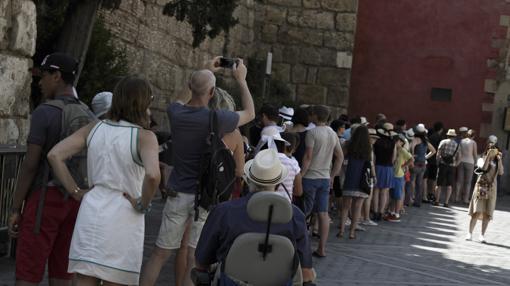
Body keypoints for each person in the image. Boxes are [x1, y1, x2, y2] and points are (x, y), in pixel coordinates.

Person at [140, 57, 255, 286]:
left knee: (159, 254)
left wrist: (201, 70)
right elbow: (250, 113)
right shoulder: (218, 119)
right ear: (212, 92)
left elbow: (181, 99)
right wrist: (241, 80)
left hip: (177, 193)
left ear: (191, 87)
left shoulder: (175, 113)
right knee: (195, 257)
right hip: (204, 196)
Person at [46, 75, 160, 285]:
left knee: (84, 278)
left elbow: (55, 155)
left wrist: (76, 191)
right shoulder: (145, 137)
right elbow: (153, 175)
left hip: (92, 208)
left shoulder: (94, 128)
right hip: (124, 214)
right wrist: (143, 203)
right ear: (145, 102)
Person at [7, 53, 83, 286]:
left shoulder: (45, 112)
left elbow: (30, 165)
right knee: (62, 273)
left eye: (44, 76)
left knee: (29, 272)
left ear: (57, 76)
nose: (39, 82)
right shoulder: (87, 113)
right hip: (76, 200)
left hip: (44, 200)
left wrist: (15, 207)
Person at [194, 149, 315, 285]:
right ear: (278, 184)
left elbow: (201, 263)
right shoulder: (295, 216)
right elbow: (307, 273)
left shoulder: (224, 211)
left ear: (248, 179)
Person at [301, 105, 344, 257]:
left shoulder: (311, 133)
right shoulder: (332, 133)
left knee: (304, 211)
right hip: (325, 178)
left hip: (310, 177)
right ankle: (322, 248)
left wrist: (300, 174)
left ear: (315, 116)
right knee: (323, 213)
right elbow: (340, 156)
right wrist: (333, 175)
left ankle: (298, 242)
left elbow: (308, 157)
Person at [338, 126, 375, 239]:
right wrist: (373, 176)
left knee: (345, 206)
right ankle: (352, 232)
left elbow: (341, 157)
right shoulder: (368, 147)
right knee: (357, 207)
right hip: (362, 179)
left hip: (350, 177)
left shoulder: (348, 144)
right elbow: (370, 162)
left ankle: (342, 230)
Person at [466, 135, 504, 243]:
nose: (492, 148)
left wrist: (499, 160)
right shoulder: (482, 157)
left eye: (494, 146)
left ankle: (482, 235)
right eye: (490, 145)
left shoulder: (497, 160)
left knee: (488, 212)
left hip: (492, 187)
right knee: (477, 210)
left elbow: (501, 172)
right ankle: (469, 233)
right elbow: (483, 168)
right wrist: (488, 156)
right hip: (482, 185)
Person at [386, 134, 413, 222]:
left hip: (398, 175)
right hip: (392, 174)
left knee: (397, 196)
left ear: (401, 143)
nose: (396, 143)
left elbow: (411, 159)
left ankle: (397, 214)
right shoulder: (394, 149)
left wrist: (403, 166)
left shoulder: (402, 150)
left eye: (397, 141)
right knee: (392, 195)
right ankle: (392, 212)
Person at [372, 123, 396, 221]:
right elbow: (394, 158)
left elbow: (373, 157)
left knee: (376, 191)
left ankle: (375, 212)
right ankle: (381, 213)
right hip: (388, 168)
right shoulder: (393, 142)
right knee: (384, 192)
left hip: (377, 166)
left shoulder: (376, 142)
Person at [408, 126, 436, 207]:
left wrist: (412, 157)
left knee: (412, 181)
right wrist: (425, 157)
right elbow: (433, 151)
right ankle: (417, 202)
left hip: (415, 163)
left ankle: (410, 199)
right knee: (419, 183)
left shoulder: (415, 139)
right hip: (423, 163)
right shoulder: (425, 141)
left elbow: (411, 148)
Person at [435, 129, 461, 207]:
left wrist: (438, 162)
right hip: (451, 166)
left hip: (442, 165)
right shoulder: (457, 145)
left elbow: (438, 154)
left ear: (447, 135)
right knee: (449, 185)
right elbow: (459, 157)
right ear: (454, 136)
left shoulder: (443, 142)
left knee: (439, 183)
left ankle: (437, 201)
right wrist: (456, 164)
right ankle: (446, 202)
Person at [275, 132, 303, 202]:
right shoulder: (293, 164)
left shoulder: (267, 159)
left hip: (265, 204)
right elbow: (298, 192)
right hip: (285, 206)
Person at [424, 121, 445, 203]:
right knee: (432, 178)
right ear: (441, 129)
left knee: (427, 178)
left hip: (428, 159)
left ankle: (427, 194)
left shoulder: (430, 136)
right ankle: (431, 194)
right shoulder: (439, 137)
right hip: (434, 160)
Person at [456, 127, 477, 204]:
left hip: (461, 161)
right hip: (470, 162)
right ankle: (465, 199)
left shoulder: (462, 141)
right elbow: (474, 154)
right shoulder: (473, 142)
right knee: (468, 182)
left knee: (459, 180)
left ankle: (457, 197)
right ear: (473, 136)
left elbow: (459, 152)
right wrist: (476, 163)